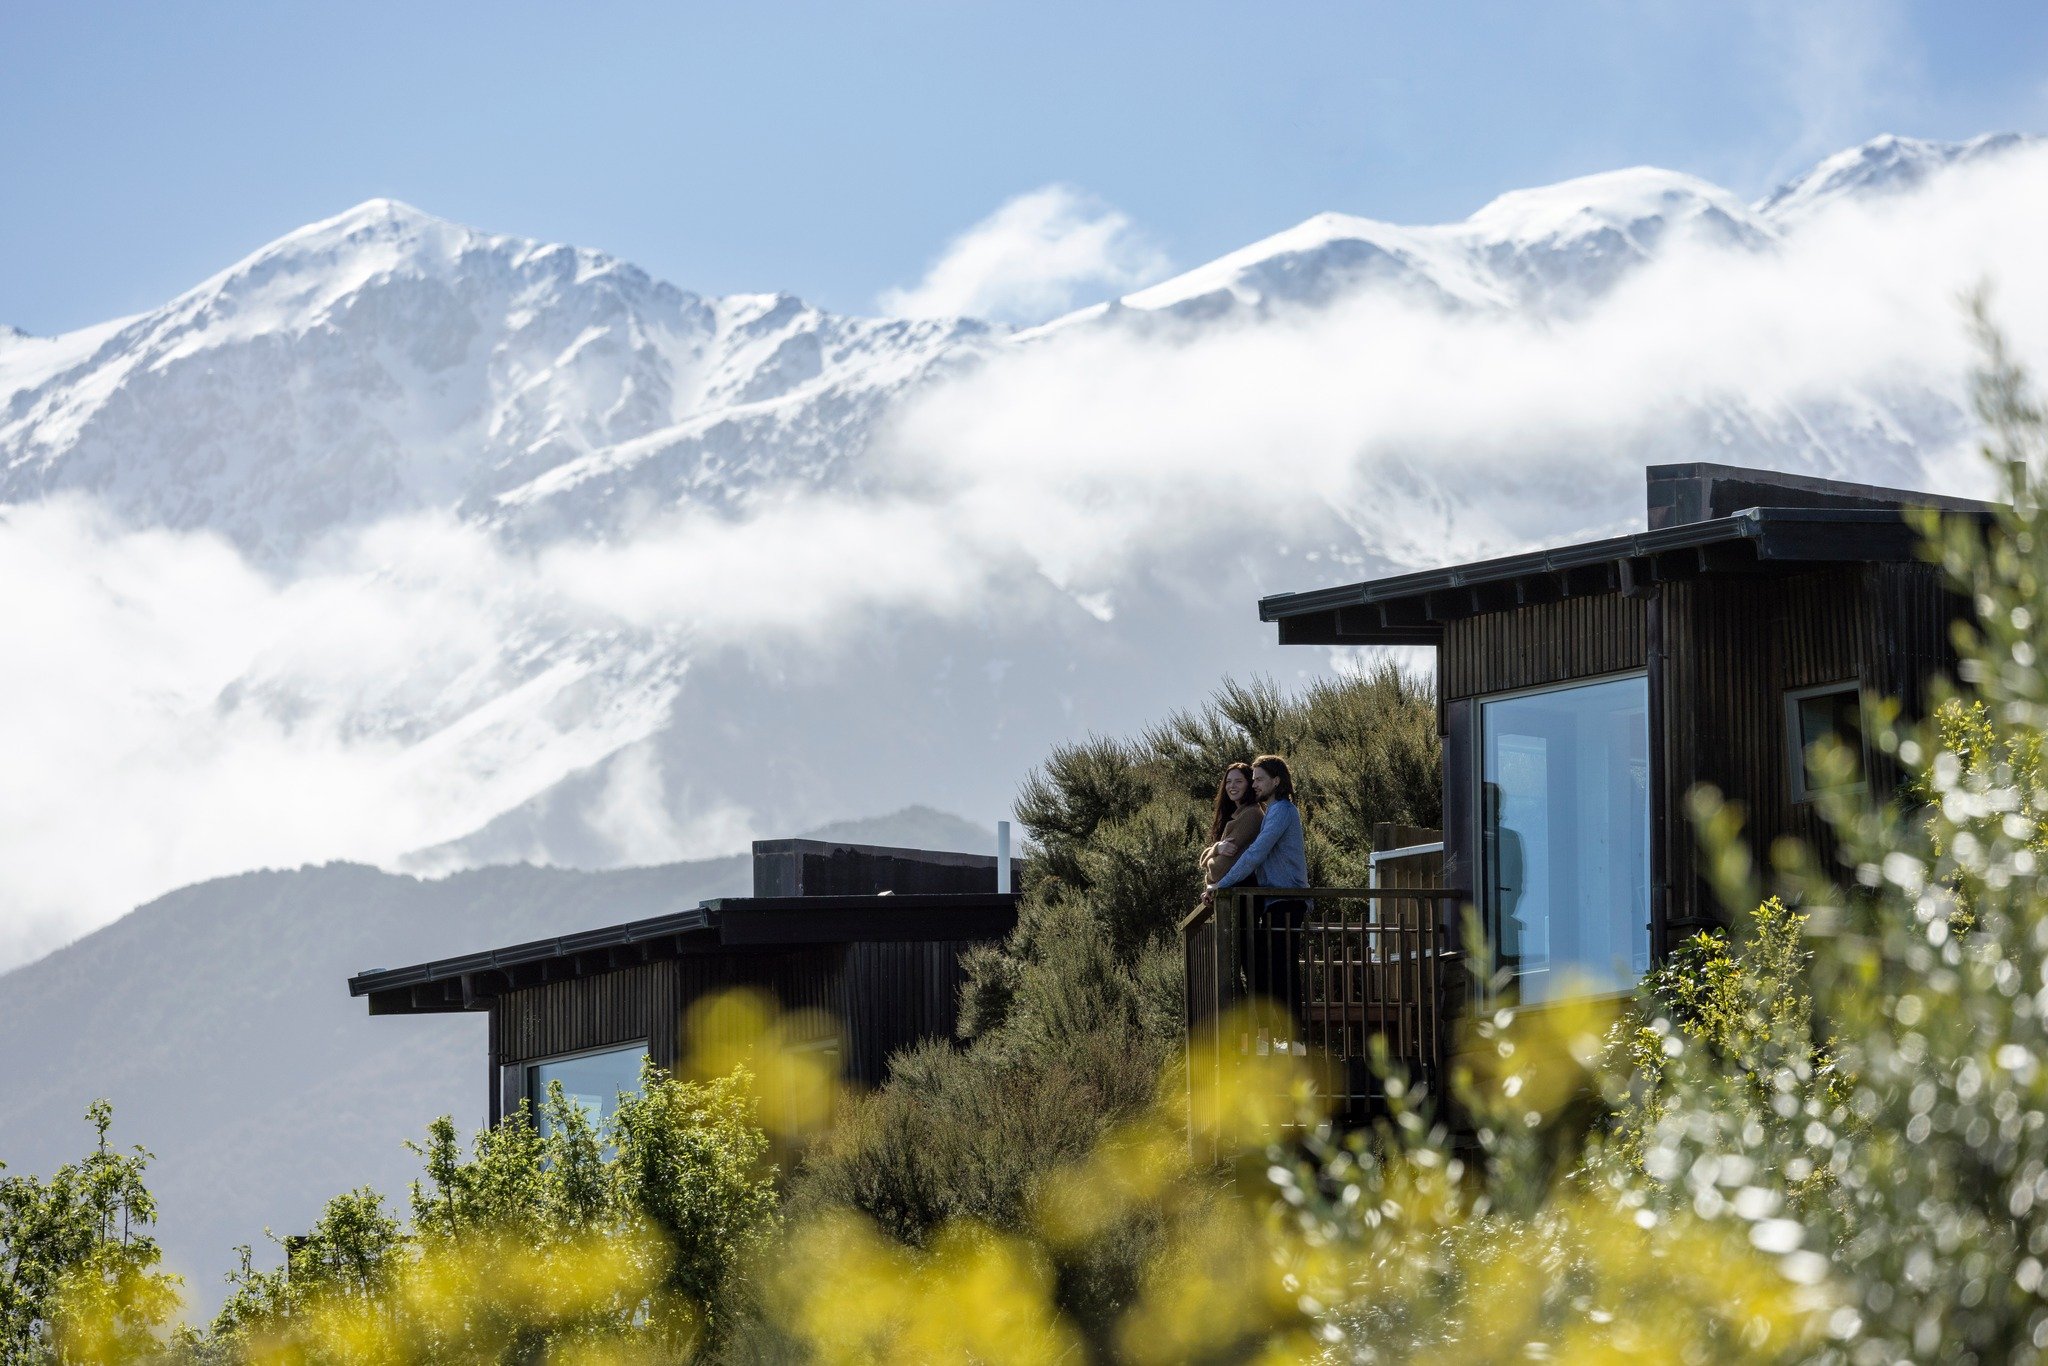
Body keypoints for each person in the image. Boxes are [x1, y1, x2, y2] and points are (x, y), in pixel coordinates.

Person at [1198, 762, 1263, 888]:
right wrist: (1216, 849)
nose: (1232, 786)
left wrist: (1212, 853)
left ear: (1249, 784)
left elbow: (1217, 871)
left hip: (1245, 897)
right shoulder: (1239, 814)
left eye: (1238, 781)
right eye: (1228, 782)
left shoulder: (1251, 815)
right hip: (1236, 894)